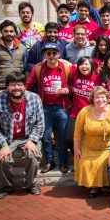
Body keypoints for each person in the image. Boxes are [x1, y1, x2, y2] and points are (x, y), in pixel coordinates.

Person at [0, 72, 44, 199]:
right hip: (7, 138)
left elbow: (40, 123)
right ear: (7, 87)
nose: (16, 88)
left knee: (31, 155)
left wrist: (32, 140)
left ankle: (31, 184)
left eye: (19, 84)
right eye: (12, 85)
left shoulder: (35, 99)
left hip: (27, 137)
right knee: (2, 159)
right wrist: (3, 144)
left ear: (24, 86)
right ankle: (7, 186)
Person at [25, 43, 71, 173]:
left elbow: (73, 85)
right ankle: (50, 162)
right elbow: (28, 85)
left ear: (59, 54)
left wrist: (67, 90)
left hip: (61, 107)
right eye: (48, 53)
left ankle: (63, 162)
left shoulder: (66, 68)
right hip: (44, 107)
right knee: (45, 137)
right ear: (44, 54)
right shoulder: (38, 68)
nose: (51, 56)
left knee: (61, 137)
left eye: (54, 53)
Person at [74, 86, 110, 198]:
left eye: (103, 97)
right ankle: (95, 187)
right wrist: (77, 149)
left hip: (108, 148)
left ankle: (106, 185)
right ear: (92, 99)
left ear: (107, 98)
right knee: (87, 163)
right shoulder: (84, 112)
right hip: (89, 148)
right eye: (97, 97)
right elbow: (77, 133)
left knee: (107, 163)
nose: (100, 100)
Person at [0, 20, 27, 106]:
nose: (9, 33)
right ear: (1, 32)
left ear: (15, 32)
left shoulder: (23, 48)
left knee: (18, 116)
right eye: (6, 31)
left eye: (11, 31)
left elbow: (26, 70)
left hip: (18, 88)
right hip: (0, 88)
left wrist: (26, 87)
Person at [66, 57, 98, 156]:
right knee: (69, 138)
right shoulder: (75, 73)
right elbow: (64, 62)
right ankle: (78, 157)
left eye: (86, 64)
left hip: (91, 114)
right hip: (75, 113)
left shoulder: (97, 77)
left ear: (92, 66)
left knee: (89, 140)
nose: (84, 66)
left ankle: (86, 160)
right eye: (81, 64)